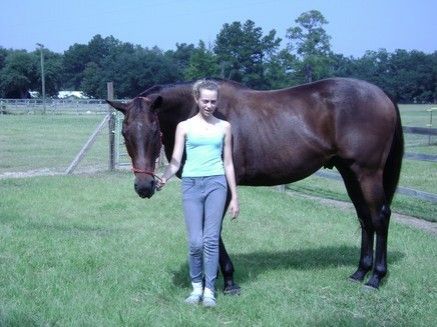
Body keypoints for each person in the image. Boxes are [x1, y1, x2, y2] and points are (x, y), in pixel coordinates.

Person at [156, 79, 239, 307]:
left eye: (213, 101)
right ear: (196, 99)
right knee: (195, 242)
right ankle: (196, 288)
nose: (209, 105)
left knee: (211, 240)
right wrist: (164, 177)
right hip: (191, 185)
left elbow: (229, 164)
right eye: (205, 101)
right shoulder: (184, 126)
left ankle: (210, 290)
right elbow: (175, 161)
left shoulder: (224, 127)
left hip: (216, 184)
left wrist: (235, 197)